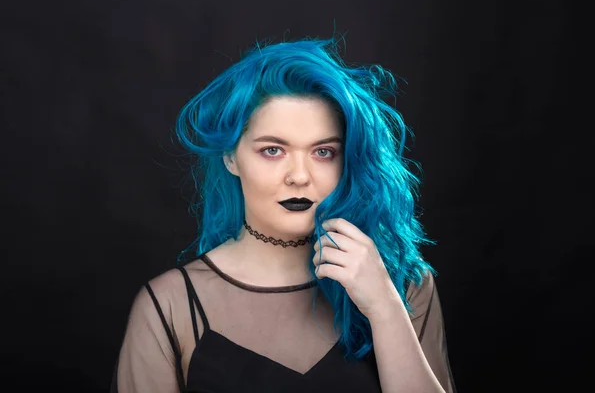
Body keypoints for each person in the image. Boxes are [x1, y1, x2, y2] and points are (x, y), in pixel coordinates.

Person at [111, 35, 456, 393]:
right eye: (273, 150)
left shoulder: (403, 283)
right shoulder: (170, 304)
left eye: (323, 152)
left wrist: (385, 309)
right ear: (231, 157)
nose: (300, 176)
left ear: (348, 160)